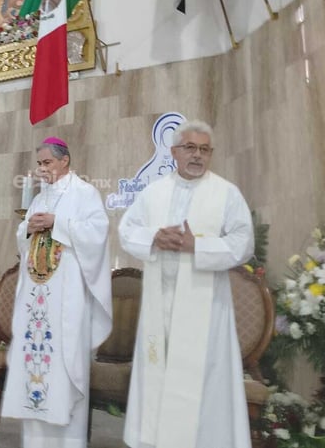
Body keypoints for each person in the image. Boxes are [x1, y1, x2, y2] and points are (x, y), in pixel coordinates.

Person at [118, 120, 254, 448]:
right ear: (175, 151)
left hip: (205, 311)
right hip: (160, 304)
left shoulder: (226, 193)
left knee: (202, 382)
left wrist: (199, 246)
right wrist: (154, 237)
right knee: (159, 372)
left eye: (204, 150)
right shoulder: (153, 192)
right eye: (190, 148)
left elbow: (244, 242)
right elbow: (126, 230)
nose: (197, 156)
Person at [1, 137, 112, 448]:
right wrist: (29, 230)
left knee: (64, 366)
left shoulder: (85, 193)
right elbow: (23, 237)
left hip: (68, 298)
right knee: (35, 367)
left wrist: (57, 222)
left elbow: (97, 233)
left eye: (47, 162)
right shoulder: (39, 199)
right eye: (39, 164)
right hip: (37, 297)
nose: (41, 169)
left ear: (65, 161)